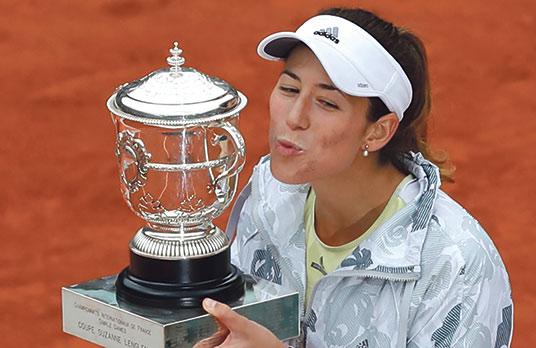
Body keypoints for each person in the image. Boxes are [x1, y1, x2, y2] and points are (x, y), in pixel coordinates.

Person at [195, 7, 513, 348]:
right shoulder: (267, 199)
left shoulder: (455, 264)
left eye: (327, 103)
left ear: (377, 132)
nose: (294, 117)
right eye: (289, 88)